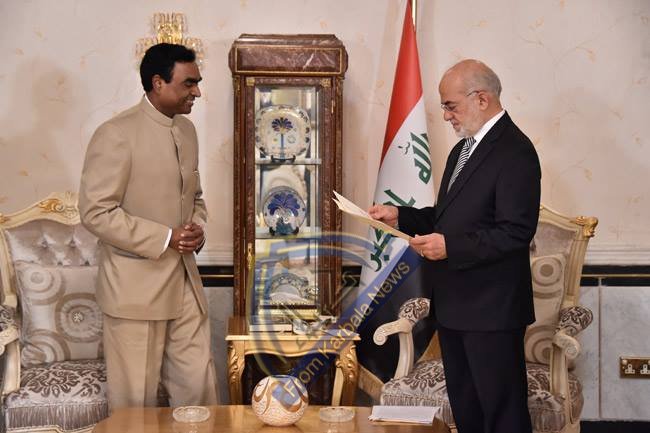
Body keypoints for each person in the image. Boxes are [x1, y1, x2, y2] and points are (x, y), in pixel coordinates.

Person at [369, 59, 540, 433]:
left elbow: (516, 232)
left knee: (503, 417)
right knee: (468, 414)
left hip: (492, 311)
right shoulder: (462, 150)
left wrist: (451, 247)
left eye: (451, 106)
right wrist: (400, 215)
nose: (445, 115)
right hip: (455, 306)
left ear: (481, 99)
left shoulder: (516, 151)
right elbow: (446, 218)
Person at [79, 43, 218, 409]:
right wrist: (166, 237)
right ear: (158, 82)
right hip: (134, 292)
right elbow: (95, 212)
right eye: (189, 83)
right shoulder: (116, 134)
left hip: (185, 284)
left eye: (197, 83)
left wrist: (197, 227)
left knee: (199, 394)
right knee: (134, 408)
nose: (197, 92)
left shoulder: (187, 131)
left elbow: (195, 198)